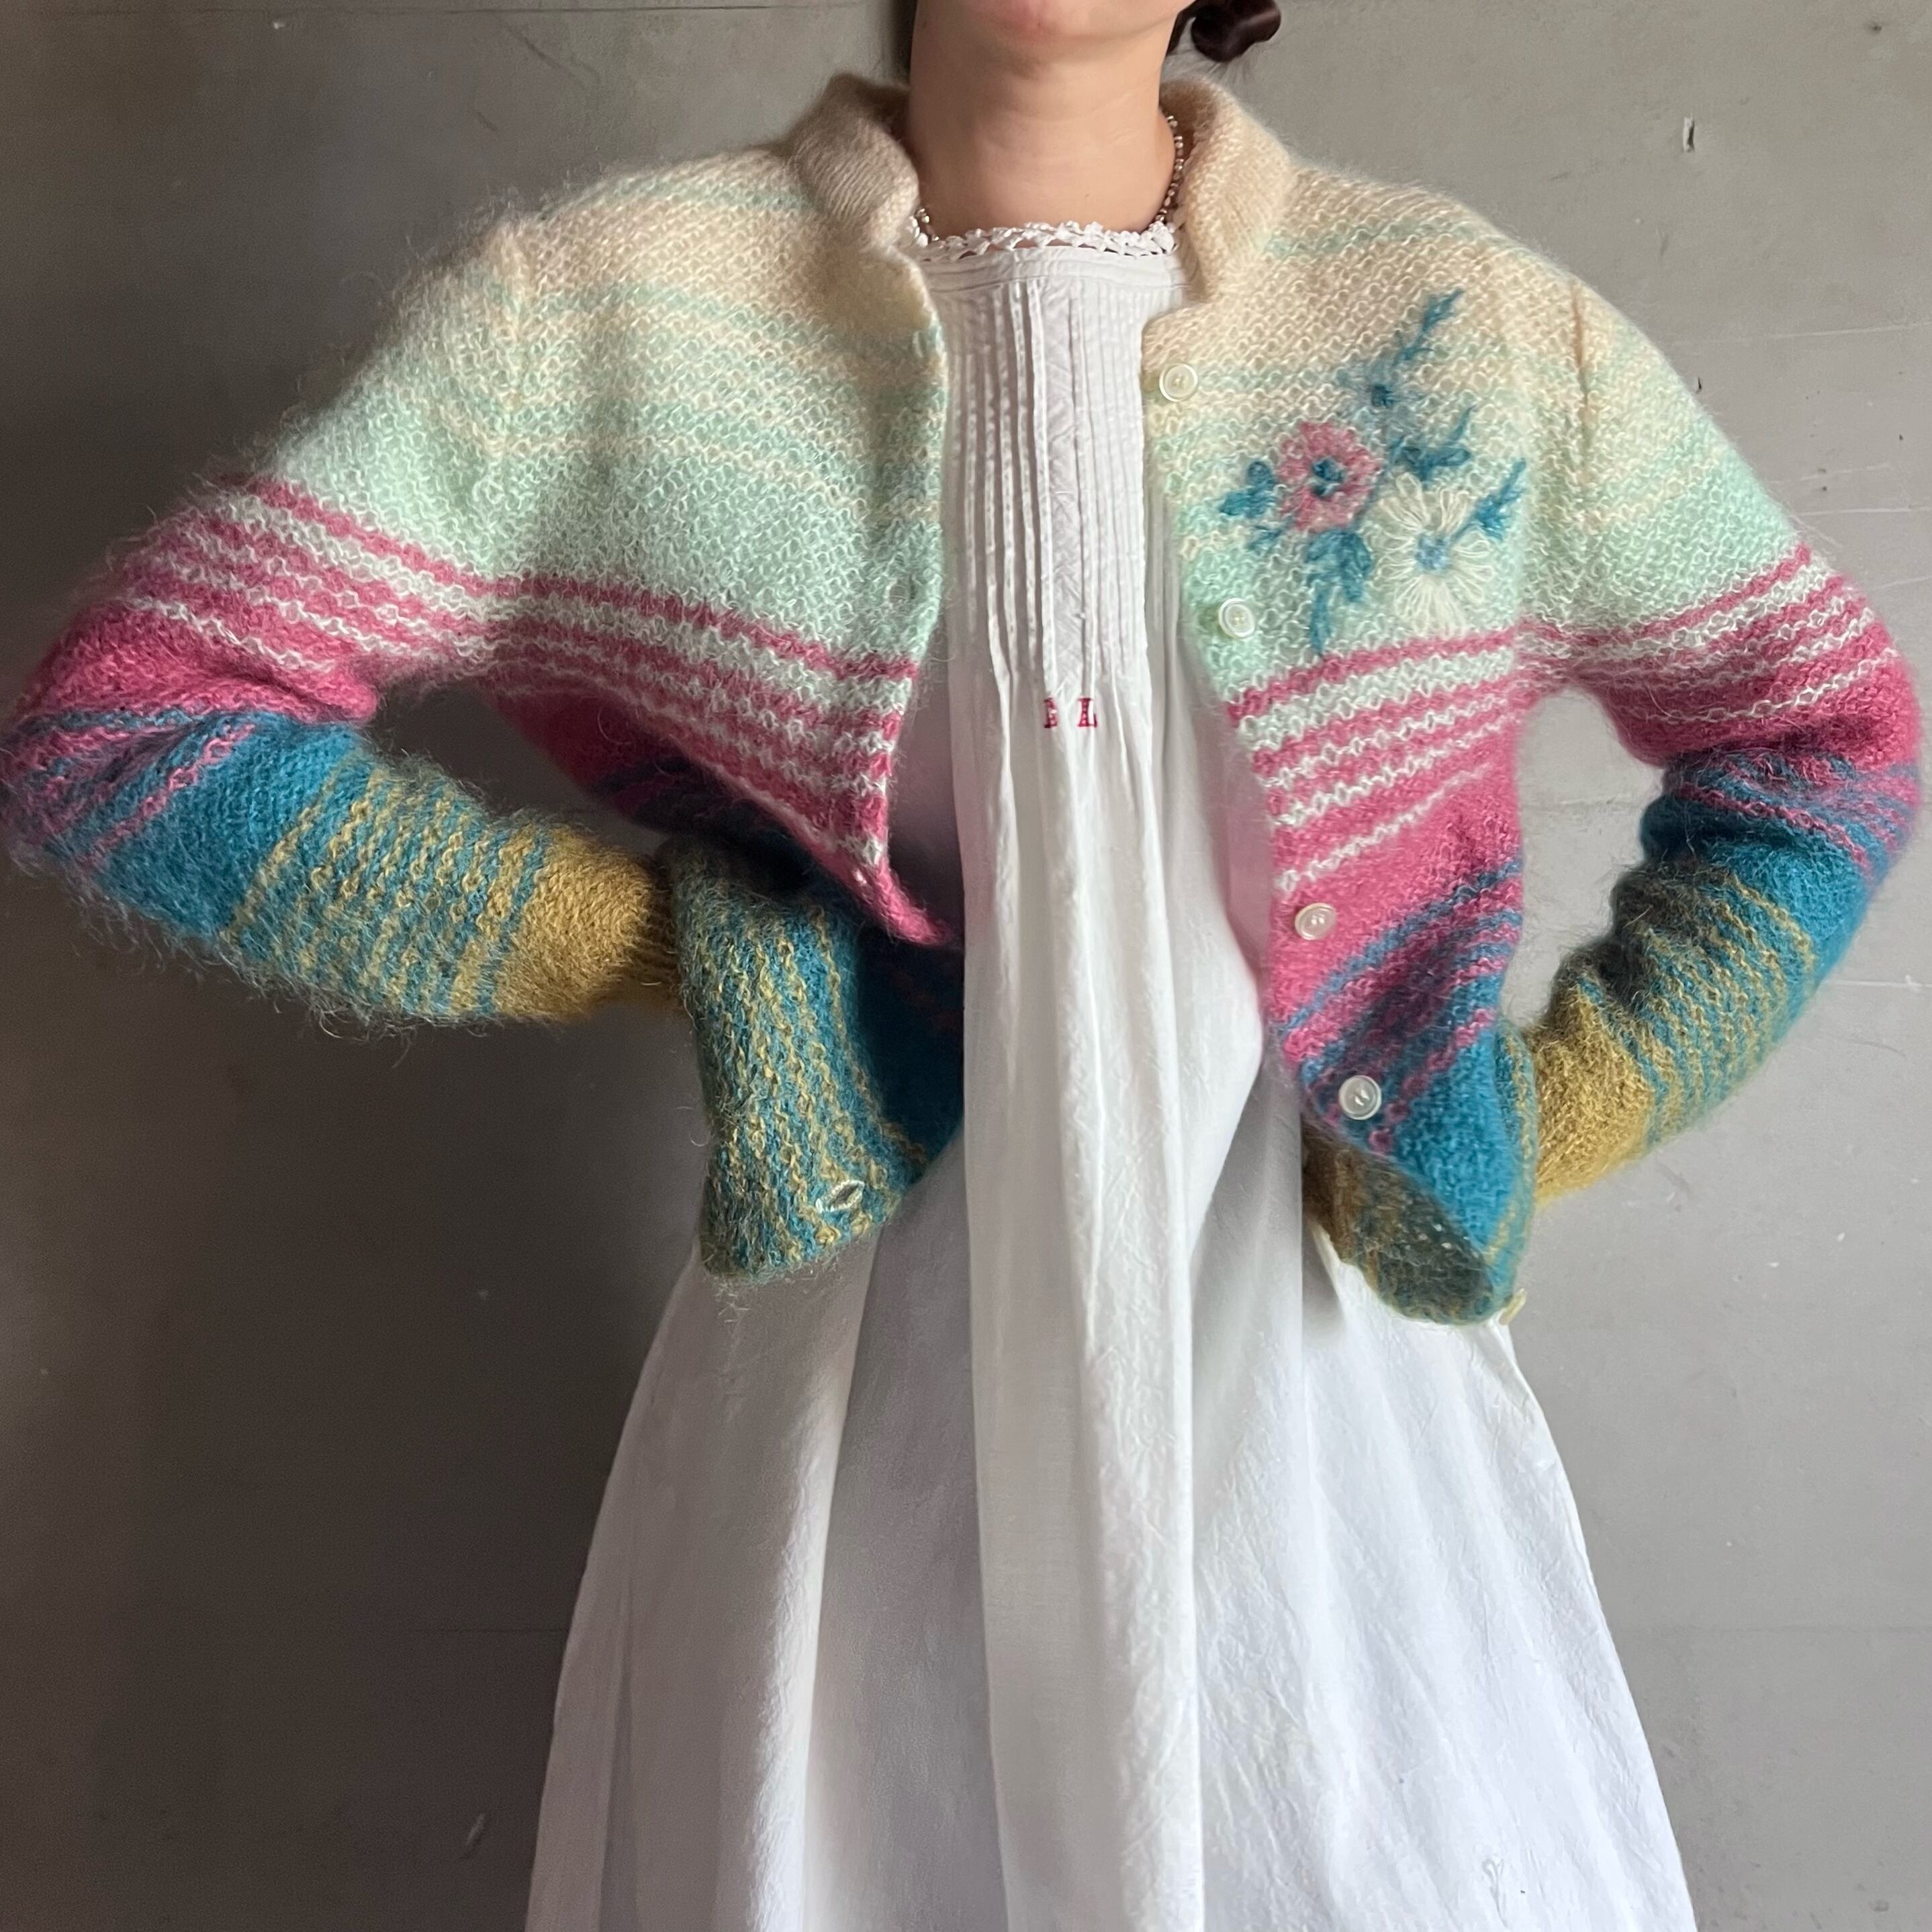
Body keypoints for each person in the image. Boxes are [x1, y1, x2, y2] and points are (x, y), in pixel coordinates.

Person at [0, 0, 1919, 1922]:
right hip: (854, 1442)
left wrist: (1568, 1099)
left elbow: (1826, 735)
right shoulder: (609, 318)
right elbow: (125, 727)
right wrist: (648, 944)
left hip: (1330, 1430)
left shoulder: (1466, 334)